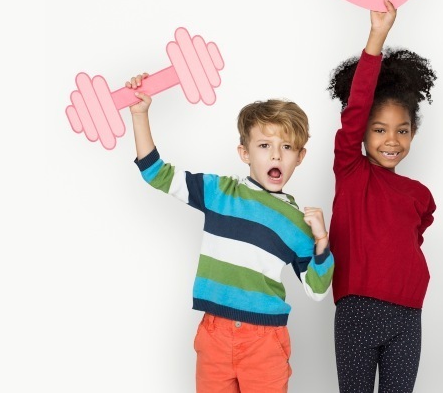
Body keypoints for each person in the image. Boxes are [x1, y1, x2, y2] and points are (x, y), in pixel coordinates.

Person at [125, 73, 334, 393]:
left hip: (265, 343)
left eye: (287, 147)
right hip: (214, 335)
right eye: (264, 145)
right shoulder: (220, 192)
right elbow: (156, 174)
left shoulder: (296, 222)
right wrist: (140, 114)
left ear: (300, 157)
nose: (276, 155)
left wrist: (322, 241)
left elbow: (317, 290)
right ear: (245, 153)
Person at [325, 0, 437, 393]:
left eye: (402, 131)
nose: (392, 140)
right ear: (363, 134)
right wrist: (377, 36)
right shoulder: (352, 171)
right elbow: (355, 110)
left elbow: (410, 239)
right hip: (357, 310)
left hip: (408, 317)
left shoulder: (419, 194)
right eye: (379, 130)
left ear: (413, 133)